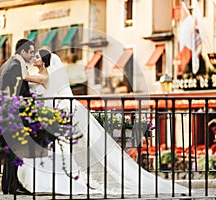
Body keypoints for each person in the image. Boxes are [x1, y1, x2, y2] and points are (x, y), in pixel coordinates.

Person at [17, 49, 188, 195]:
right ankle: (62, 178)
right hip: (55, 114)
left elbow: (25, 77)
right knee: (61, 148)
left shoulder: (47, 76)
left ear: (46, 62)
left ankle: (65, 179)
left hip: (61, 113)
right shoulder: (44, 74)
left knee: (63, 148)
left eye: (38, 57)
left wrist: (19, 60)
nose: (34, 59)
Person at [0, 38, 35, 195]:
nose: (33, 55)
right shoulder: (15, 66)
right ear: (23, 52)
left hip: (7, 111)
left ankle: (7, 184)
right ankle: (13, 186)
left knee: (11, 150)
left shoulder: (6, 64)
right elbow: (19, 92)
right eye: (31, 52)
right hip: (15, 112)